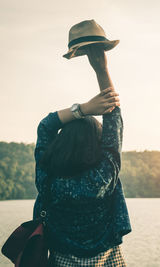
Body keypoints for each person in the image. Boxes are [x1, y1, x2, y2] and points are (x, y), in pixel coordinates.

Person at [32, 44, 132, 266]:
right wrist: (102, 70)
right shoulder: (103, 177)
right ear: (97, 144)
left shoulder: (47, 178)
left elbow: (45, 126)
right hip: (108, 259)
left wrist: (84, 109)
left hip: (60, 260)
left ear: (62, 143)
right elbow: (113, 118)